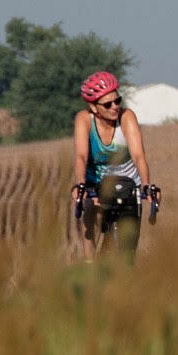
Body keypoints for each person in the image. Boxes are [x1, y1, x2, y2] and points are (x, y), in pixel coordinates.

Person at [72, 70, 153, 258]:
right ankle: (90, 267)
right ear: (93, 107)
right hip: (96, 183)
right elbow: (81, 156)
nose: (115, 107)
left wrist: (146, 183)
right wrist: (81, 183)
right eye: (108, 104)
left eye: (118, 101)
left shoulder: (126, 117)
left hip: (127, 183)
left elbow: (138, 155)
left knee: (128, 246)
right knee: (91, 211)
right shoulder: (84, 120)